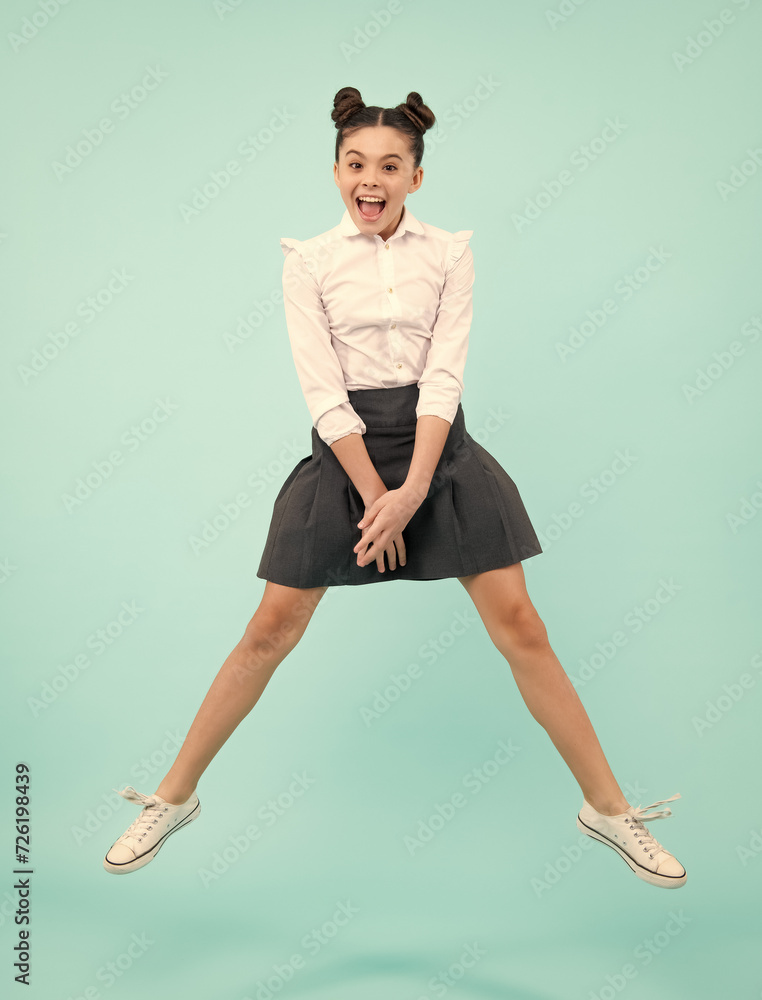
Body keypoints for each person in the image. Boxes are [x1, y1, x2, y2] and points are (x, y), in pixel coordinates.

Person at [103, 86, 686, 889]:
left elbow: (444, 380)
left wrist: (411, 492)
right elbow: (323, 395)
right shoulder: (306, 262)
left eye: (389, 165)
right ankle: (173, 797)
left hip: (439, 456)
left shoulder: (450, 253)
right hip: (346, 457)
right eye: (354, 164)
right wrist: (374, 490)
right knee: (271, 629)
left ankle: (609, 810)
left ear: (416, 176)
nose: (369, 180)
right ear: (335, 171)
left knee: (522, 625)